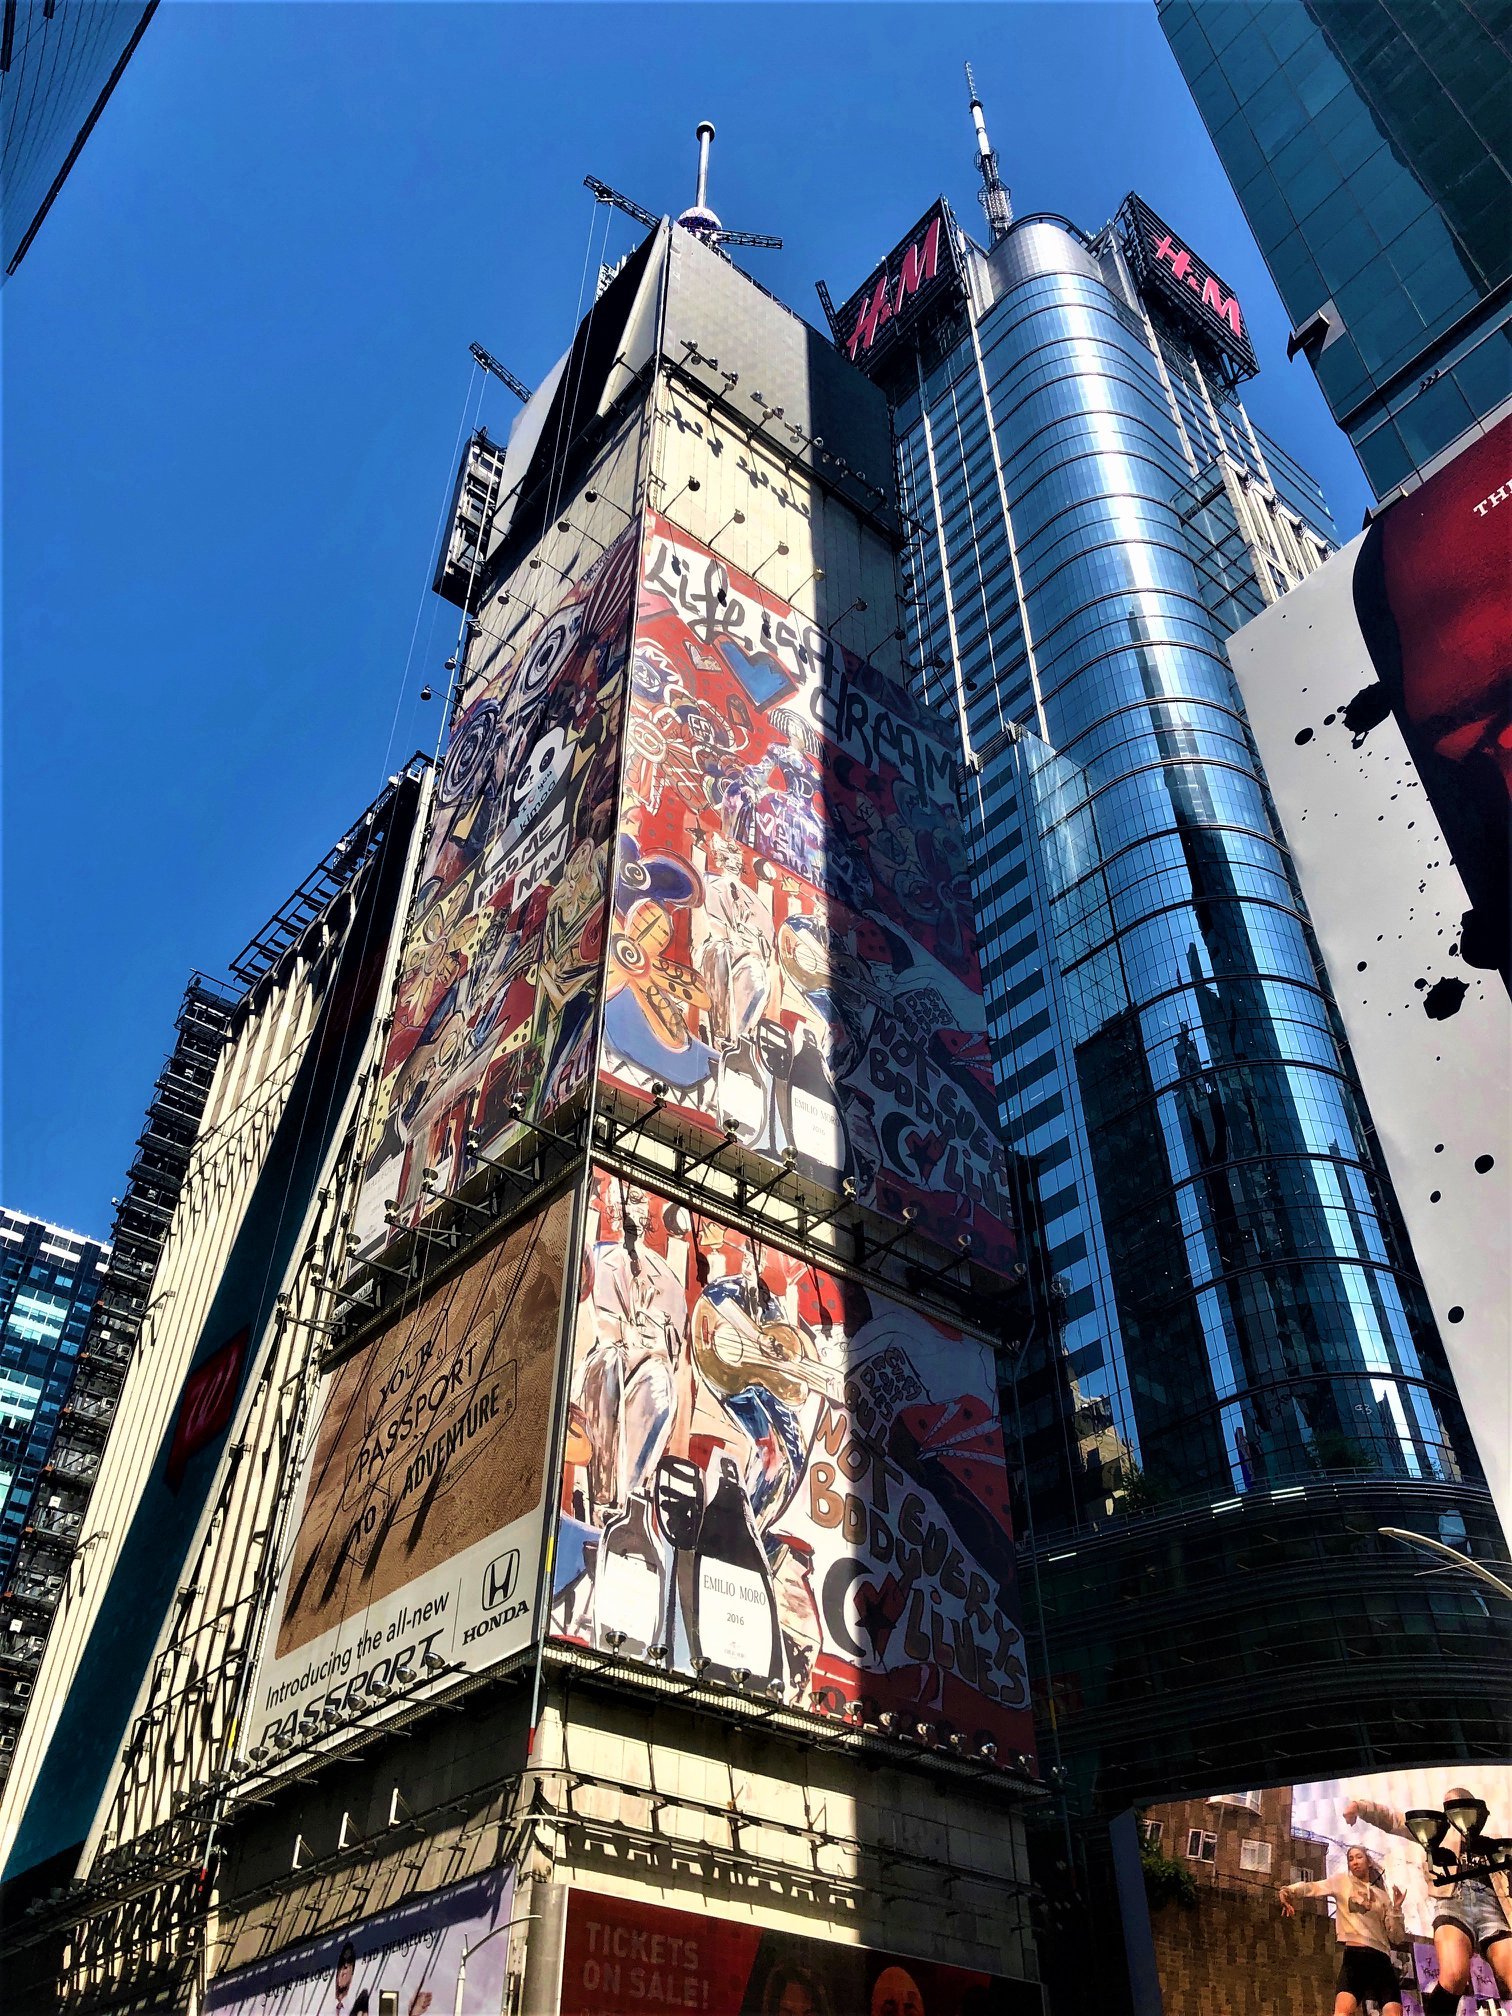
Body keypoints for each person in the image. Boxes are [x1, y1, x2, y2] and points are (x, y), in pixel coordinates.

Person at [1343, 1786, 1512, 2007]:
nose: (1451, 1815)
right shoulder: (1437, 1833)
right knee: (1454, 1976)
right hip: (1454, 1906)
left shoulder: (1494, 1843)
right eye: (1447, 1809)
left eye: (1456, 1807)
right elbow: (1395, 1820)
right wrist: (1361, 1807)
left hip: (1493, 1911)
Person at [1280, 1846, 1406, 2016]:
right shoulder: (1341, 1882)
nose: (1354, 1862)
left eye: (1359, 1857)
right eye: (1351, 1859)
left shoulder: (1382, 1896)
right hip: (1355, 1956)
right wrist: (1288, 1891)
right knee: (1342, 2012)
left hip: (1381, 1959)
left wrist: (1397, 1909)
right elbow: (1313, 1887)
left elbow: (1396, 1937)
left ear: (1368, 1862)